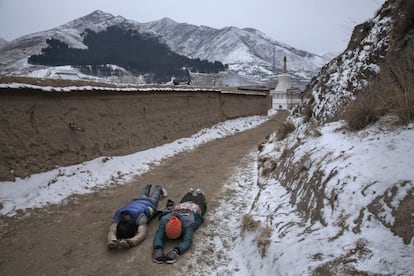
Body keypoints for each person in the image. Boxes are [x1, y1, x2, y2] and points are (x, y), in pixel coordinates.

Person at [152, 188, 207, 264]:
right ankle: (192, 193)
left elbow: (187, 241)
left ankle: (197, 194)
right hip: (183, 207)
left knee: (194, 201)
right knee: (189, 200)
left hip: (189, 208)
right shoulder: (165, 220)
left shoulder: (188, 224)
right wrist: (175, 251)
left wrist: (159, 249)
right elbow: (186, 241)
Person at [107, 184, 167, 249]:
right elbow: (142, 232)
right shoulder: (120, 214)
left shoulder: (121, 215)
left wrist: (112, 240)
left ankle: (158, 188)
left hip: (149, 203)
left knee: (154, 197)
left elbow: (112, 230)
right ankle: (150, 187)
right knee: (144, 195)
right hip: (138, 201)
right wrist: (131, 242)